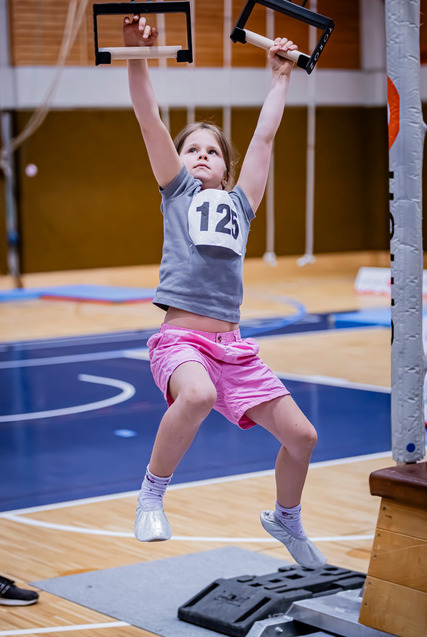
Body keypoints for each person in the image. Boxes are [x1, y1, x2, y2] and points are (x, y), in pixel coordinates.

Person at [124, 14, 326, 569]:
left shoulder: (241, 203)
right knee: (197, 396)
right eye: (192, 149)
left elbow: (264, 136)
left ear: (226, 166)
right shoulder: (177, 193)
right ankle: (151, 495)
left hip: (234, 349)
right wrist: (134, 53)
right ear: (179, 162)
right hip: (181, 344)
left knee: (303, 437)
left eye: (212, 151)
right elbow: (148, 117)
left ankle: (286, 518)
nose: (201, 156)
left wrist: (280, 76)